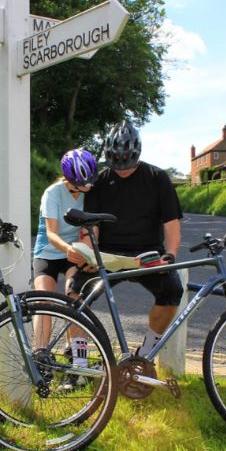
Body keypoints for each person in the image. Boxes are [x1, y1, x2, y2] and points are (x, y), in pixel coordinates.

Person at [71, 120, 184, 359]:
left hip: (148, 253)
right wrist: (88, 255)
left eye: (127, 162)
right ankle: (79, 362)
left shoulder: (158, 178)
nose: (121, 167)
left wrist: (170, 256)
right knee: (75, 293)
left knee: (173, 290)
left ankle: (146, 353)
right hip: (109, 254)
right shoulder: (100, 181)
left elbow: (172, 226)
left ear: (137, 153)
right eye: (116, 162)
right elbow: (92, 227)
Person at [32, 149, 98, 389]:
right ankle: (40, 357)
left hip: (75, 252)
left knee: (75, 297)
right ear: (68, 179)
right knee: (44, 302)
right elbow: (51, 233)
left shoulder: (90, 192)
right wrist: (67, 248)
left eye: (91, 182)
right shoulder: (53, 193)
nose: (88, 187)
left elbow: (91, 230)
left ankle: (78, 363)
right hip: (49, 251)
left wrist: (83, 251)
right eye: (83, 183)